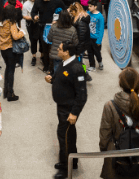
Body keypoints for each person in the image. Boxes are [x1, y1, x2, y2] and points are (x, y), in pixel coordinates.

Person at [99, 68, 139, 179]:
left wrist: (105, 151)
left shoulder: (110, 106)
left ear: (120, 84)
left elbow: (104, 137)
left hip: (115, 159)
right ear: (138, 84)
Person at [46, 42, 87, 179]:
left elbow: (82, 95)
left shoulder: (77, 68)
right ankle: (73, 160)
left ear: (67, 52)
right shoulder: (63, 62)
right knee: (70, 133)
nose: (57, 49)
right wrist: (52, 80)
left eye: (60, 49)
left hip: (68, 109)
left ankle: (64, 169)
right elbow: (62, 79)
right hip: (61, 106)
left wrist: (74, 113)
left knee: (63, 137)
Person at [0, 5, 25, 102]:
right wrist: (22, 33)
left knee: (7, 69)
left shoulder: (0, 22)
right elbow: (15, 36)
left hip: (2, 48)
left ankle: (6, 91)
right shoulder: (11, 23)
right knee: (11, 71)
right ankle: (10, 93)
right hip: (10, 48)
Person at [33, 0, 63, 73]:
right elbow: (33, 12)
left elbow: (64, 10)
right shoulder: (38, 1)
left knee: (54, 48)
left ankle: (53, 67)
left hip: (55, 28)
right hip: (43, 27)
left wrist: (58, 20)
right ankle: (46, 66)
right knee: (45, 48)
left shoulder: (57, 1)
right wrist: (34, 16)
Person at [22, 0, 40, 67]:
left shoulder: (40, 2)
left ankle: (42, 56)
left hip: (40, 23)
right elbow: (24, 16)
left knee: (41, 40)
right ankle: (34, 56)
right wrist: (33, 18)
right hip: (31, 24)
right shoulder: (26, 4)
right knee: (33, 40)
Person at [87, 0, 105, 71]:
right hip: (89, 38)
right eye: (88, 6)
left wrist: (99, 41)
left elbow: (101, 29)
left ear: (95, 7)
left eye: (90, 6)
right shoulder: (88, 13)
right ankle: (92, 66)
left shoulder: (100, 16)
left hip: (96, 38)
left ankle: (100, 62)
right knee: (90, 53)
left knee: (97, 53)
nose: (89, 7)